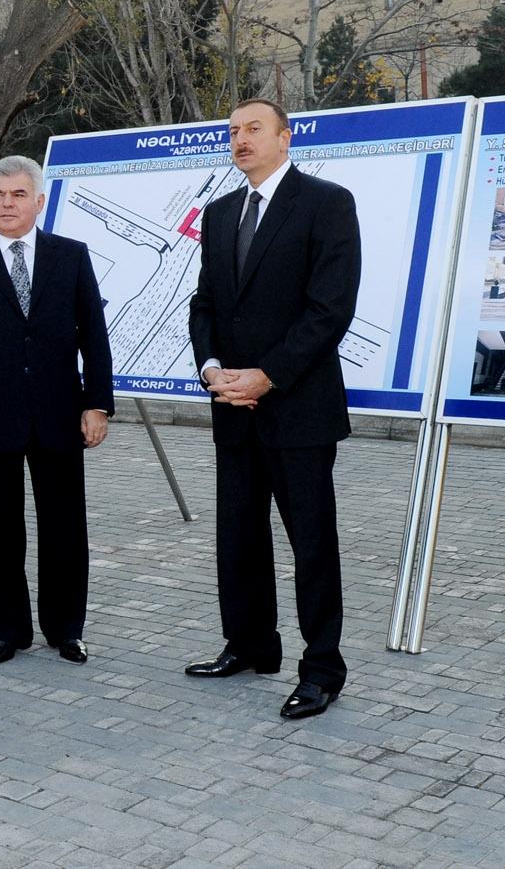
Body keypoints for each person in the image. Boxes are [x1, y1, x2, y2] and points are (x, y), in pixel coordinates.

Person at [186, 98, 360, 720]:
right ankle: (251, 645)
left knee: (311, 542)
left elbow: (329, 310)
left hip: (298, 408)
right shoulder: (220, 213)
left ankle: (322, 670)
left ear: (286, 138)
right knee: (239, 536)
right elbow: (205, 304)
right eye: (233, 131)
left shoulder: (326, 203)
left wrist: (268, 376)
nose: (240, 139)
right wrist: (212, 370)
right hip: (232, 406)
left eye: (254, 129)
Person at [0, 155, 114, 666]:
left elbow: (93, 338)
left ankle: (67, 629)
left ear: (38, 201)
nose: (6, 204)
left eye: (17, 195)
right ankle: (8, 631)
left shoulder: (71, 256)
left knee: (64, 527)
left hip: (60, 414)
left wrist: (97, 403)